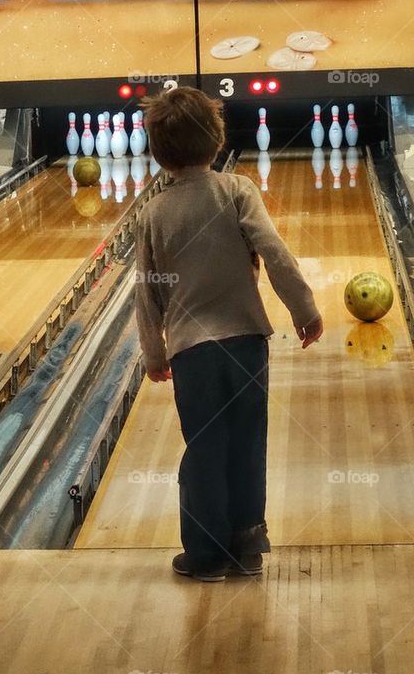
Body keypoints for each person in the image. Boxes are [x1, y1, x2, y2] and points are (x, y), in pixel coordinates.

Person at [135, 87, 322, 582]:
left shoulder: (152, 213)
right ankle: (247, 545)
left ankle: (205, 554)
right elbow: (275, 252)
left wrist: (154, 354)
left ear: (157, 151)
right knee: (247, 440)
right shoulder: (238, 190)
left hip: (193, 352)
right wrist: (304, 309)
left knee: (204, 446)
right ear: (218, 140)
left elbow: (147, 294)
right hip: (246, 343)